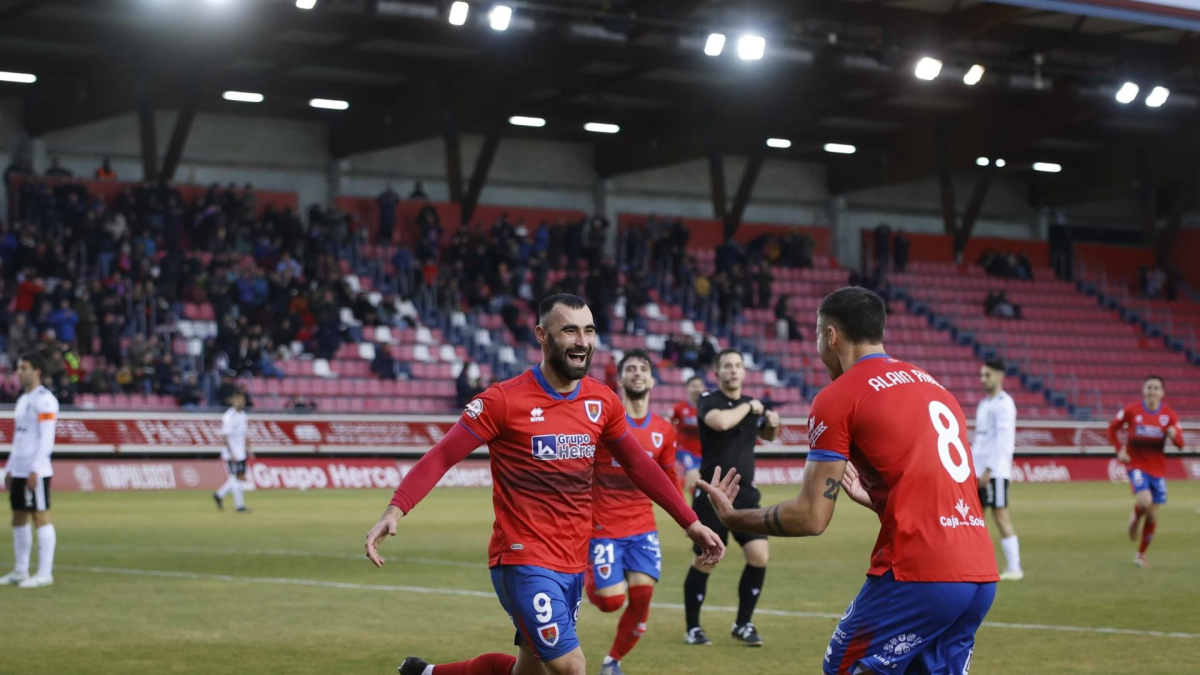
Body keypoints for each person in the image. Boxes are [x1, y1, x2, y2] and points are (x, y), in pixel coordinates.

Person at [365, 294, 724, 675]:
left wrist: (691, 522)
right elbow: (441, 456)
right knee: (571, 666)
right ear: (542, 335)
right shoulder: (502, 401)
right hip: (522, 558)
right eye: (569, 330)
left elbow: (639, 464)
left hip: (572, 559)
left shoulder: (601, 401)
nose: (582, 341)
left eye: (588, 330)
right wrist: (395, 508)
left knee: (529, 672)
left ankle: (425, 673)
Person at [698, 286, 998, 675]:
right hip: (979, 574)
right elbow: (945, 489)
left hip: (918, 573)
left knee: (842, 666)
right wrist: (881, 499)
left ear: (830, 335)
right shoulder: (933, 384)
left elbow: (810, 517)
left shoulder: (839, 396)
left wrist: (734, 518)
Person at [586, 349, 680, 675]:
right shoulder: (603, 423)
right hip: (603, 527)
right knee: (610, 602)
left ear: (652, 380)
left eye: (643, 368)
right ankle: (586, 571)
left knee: (641, 598)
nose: (637, 373)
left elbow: (668, 478)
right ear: (621, 379)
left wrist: (687, 519)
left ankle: (612, 662)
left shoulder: (664, 430)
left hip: (642, 527)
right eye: (631, 368)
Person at [684, 349, 780, 647]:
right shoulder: (708, 400)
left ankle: (743, 624)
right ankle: (693, 628)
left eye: (738, 365)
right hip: (712, 493)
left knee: (759, 556)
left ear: (744, 372)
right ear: (718, 371)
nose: (733, 370)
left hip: (745, 493)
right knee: (706, 559)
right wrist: (752, 406)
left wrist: (771, 421)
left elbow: (770, 435)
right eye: (727, 366)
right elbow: (722, 423)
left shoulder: (752, 407)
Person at [1107, 376, 1183, 567]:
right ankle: (1135, 515)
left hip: (1158, 470)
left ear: (1162, 393)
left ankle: (1140, 555)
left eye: (1156, 388)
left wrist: (1174, 436)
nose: (1152, 391)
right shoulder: (1131, 410)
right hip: (1137, 466)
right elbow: (1112, 428)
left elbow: (1181, 444)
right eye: (1149, 387)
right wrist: (1119, 450)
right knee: (1145, 501)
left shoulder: (1169, 416)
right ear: (1143, 390)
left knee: (1152, 515)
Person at [0, 353, 60, 588]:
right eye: (18, 367)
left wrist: (36, 468)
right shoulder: (23, 400)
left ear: (37, 371)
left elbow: (47, 438)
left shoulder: (45, 400)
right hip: (20, 468)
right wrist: (11, 467)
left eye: (24, 367)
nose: (19, 371)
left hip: (37, 469)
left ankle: (45, 573)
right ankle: (20, 570)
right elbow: (20, 438)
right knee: (18, 516)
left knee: (40, 516)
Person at [975, 360, 1023, 580]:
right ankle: (974, 563)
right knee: (973, 518)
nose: (983, 379)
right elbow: (980, 439)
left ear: (1000, 376)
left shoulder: (1005, 404)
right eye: (982, 375)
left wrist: (988, 470)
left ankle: (1015, 568)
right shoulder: (984, 404)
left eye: (987, 375)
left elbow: (1003, 441)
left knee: (1001, 516)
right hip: (977, 471)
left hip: (995, 472)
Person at [213, 392, 252, 513]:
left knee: (238, 478)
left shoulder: (244, 415)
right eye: (237, 399)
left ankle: (219, 495)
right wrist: (231, 454)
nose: (240, 402)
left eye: (242, 399)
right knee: (236, 478)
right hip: (232, 454)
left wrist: (248, 448)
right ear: (232, 401)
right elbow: (225, 437)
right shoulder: (229, 417)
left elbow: (244, 433)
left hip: (241, 452)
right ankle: (239, 506)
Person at [671, 376, 705, 496]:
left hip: (703, 451)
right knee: (693, 473)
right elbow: (669, 426)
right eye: (694, 386)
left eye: (700, 386)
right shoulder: (679, 408)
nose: (697, 389)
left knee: (702, 481)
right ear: (687, 389)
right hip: (685, 450)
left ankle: (694, 502)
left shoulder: (708, 408)